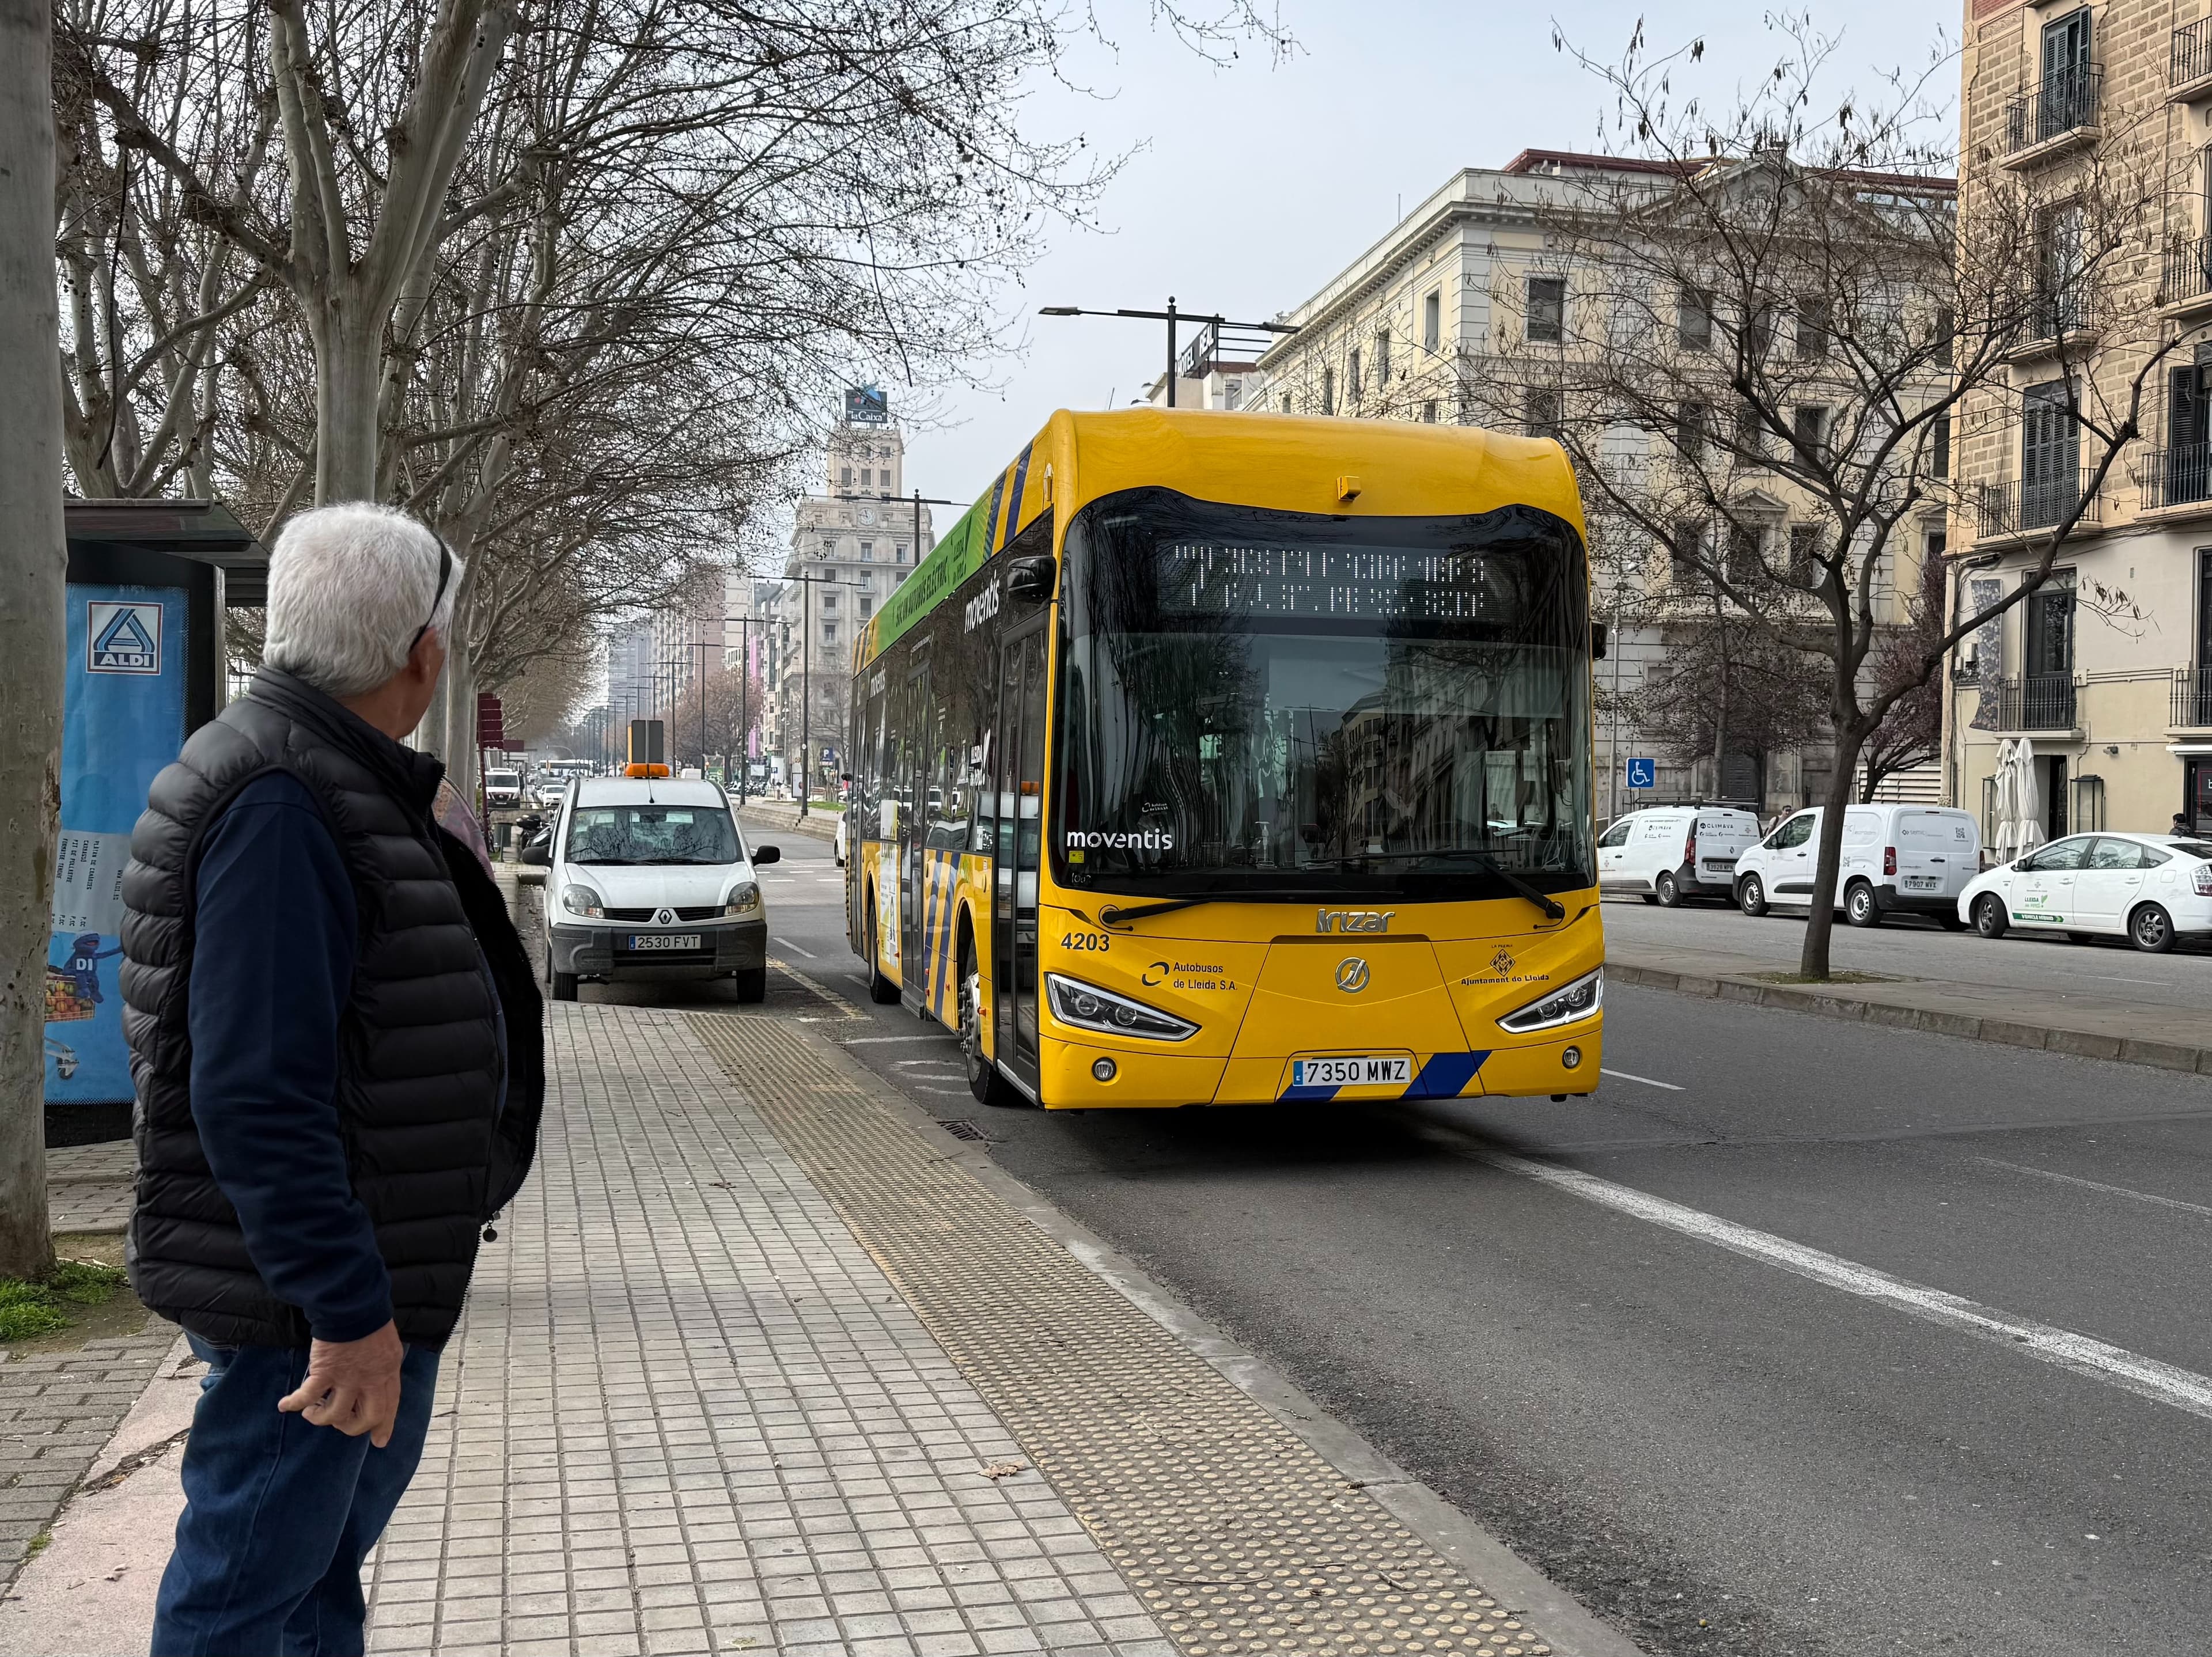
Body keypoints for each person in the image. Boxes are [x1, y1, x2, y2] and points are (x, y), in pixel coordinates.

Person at [120, 502, 544, 1656]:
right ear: (422, 653)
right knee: (242, 1599)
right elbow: (256, 1089)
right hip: (307, 1314)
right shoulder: (282, 799)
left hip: (328, 1288)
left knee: (304, 1586)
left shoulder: (303, 771)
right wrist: (351, 1313)